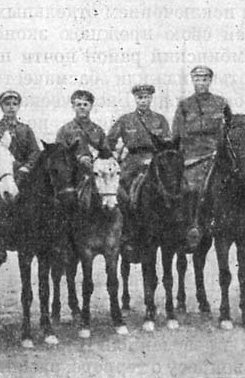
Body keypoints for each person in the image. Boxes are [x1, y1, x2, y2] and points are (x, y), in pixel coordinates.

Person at [107, 84, 171, 259]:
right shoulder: (125, 120)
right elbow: (109, 141)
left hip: (155, 159)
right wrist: (113, 156)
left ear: (151, 98)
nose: (143, 101)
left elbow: (167, 142)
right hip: (132, 161)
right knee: (122, 192)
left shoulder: (160, 120)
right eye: (140, 98)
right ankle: (128, 230)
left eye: (147, 97)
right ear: (135, 99)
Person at [172, 65, 230, 250]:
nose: (201, 82)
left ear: (210, 81)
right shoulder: (184, 105)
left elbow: (229, 129)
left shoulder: (221, 103)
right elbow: (177, 133)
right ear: (193, 80)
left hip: (216, 155)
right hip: (192, 157)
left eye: (205, 79)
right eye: (197, 79)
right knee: (191, 189)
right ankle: (192, 225)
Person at [0, 90, 40, 185]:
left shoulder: (25, 130)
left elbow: (35, 152)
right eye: (7, 104)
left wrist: (26, 167)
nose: (11, 107)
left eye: (14, 104)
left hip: (23, 175)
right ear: (1, 107)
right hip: (0, 175)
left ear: (18, 107)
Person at [56, 90, 107, 176]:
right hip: (72, 174)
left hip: (96, 173)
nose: (82, 107)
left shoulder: (98, 131)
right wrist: (79, 158)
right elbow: (60, 154)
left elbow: (106, 152)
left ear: (91, 107)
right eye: (78, 104)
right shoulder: (64, 130)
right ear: (73, 107)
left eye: (85, 104)